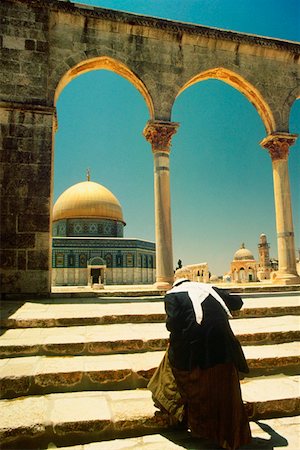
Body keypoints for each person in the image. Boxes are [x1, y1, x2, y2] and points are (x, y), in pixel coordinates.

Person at [148, 273, 252, 450]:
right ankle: (230, 439)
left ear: (174, 284)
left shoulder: (172, 295)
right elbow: (237, 302)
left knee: (169, 365)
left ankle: (174, 411)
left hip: (194, 352)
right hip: (224, 349)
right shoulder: (208, 288)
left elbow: (172, 325)